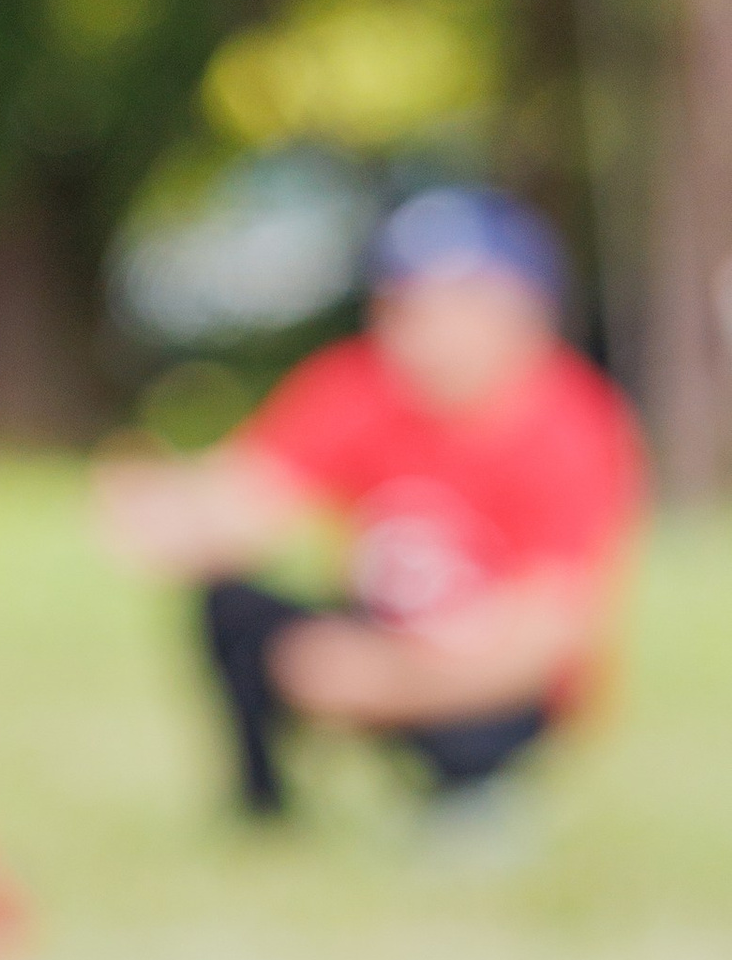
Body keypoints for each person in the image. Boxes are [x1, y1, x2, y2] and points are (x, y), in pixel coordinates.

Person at [96, 186, 646, 819]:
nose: (429, 331)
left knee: (494, 705)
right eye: (407, 305)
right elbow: (244, 502)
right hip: (387, 621)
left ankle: (474, 798)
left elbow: (548, 633)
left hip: (493, 668)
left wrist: (384, 681)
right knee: (232, 608)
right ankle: (261, 808)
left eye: (458, 305)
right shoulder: (360, 385)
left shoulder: (576, 424)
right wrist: (163, 512)